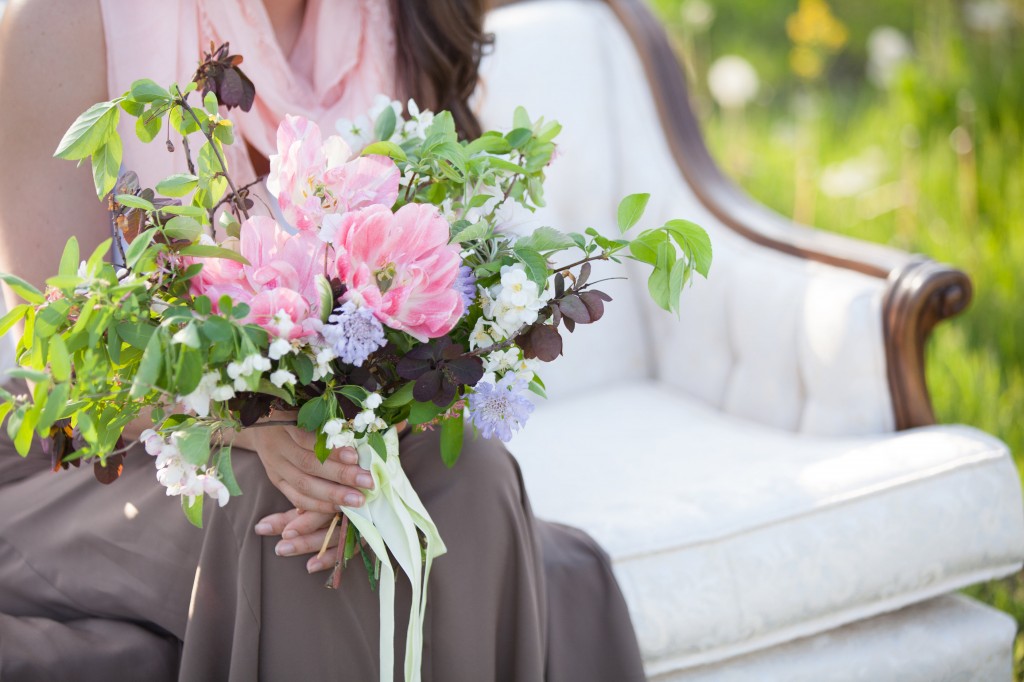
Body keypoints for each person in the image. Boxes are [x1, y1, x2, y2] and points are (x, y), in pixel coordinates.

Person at [0, 0, 646, 680]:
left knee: (469, 475)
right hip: (105, 443)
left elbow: (428, 300)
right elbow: (66, 355)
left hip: (326, 424)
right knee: (299, 531)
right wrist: (251, 427)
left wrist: (368, 432)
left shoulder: (406, 22)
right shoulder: (68, 19)